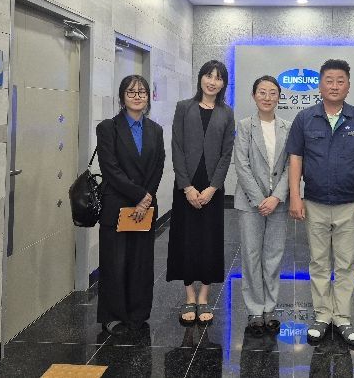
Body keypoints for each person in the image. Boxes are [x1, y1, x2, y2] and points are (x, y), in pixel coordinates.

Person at [286, 59, 354, 347]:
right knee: (318, 261)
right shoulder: (305, 118)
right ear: (320, 85)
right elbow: (296, 159)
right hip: (314, 202)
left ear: (348, 85)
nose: (335, 86)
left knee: (347, 262)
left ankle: (342, 317)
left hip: (349, 203)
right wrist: (295, 196)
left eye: (340, 81)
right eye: (329, 80)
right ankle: (322, 315)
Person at [95, 75, 165, 335]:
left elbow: (158, 166)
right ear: (122, 97)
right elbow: (110, 168)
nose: (137, 96)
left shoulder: (155, 129)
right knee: (115, 262)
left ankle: (138, 313)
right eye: (131, 92)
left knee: (140, 262)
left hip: (144, 208)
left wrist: (146, 199)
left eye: (142, 92)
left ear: (148, 97)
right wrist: (139, 196)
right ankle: (112, 316)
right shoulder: (108, 128)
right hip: (117, 205)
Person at [166, 60, 235, 325]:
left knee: (209, 240)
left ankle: (204, 295)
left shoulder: (226, 113)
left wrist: (212, 188)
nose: (212, 81)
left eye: (218, 78)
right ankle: (189, 296)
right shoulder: (184, 107)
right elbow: (177, 147)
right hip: (187, 185)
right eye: (208, 76)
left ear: (223, 83)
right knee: (185, 239)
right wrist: (187, 187)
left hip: (212, 188)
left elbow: (226, 154)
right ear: (200, 78)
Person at [234, 75, 291, 337]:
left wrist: (276, 197)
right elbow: (242, 165)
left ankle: (270, 308)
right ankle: (255, 309)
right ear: (254, 95)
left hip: (278, 202)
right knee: (251, 255)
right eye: (262, 92)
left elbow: (292, 166)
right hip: (250, 203)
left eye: (272, 93)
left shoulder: (288, 127)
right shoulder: (245, 126)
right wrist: (260, 200)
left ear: (279, 97)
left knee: (274, 255)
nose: (267, 97)